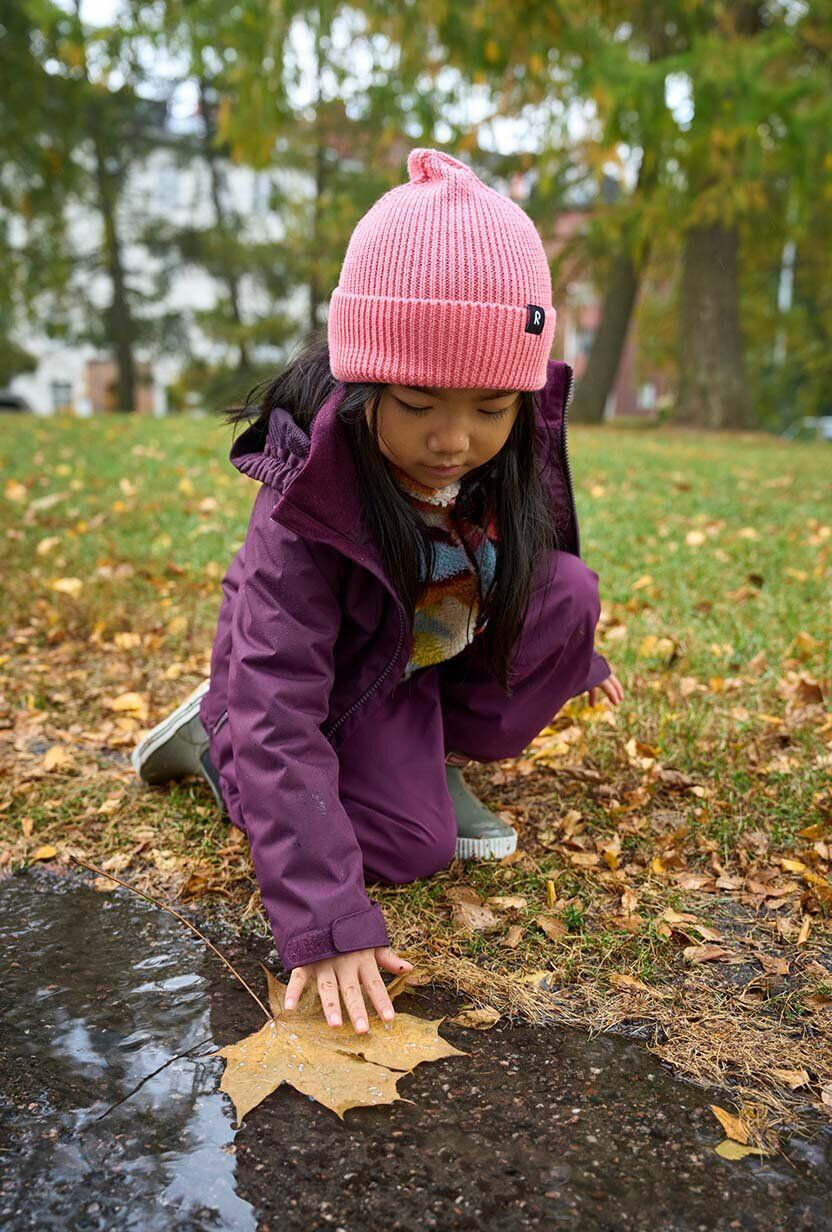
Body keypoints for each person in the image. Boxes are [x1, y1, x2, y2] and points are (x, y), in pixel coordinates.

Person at [131, 147, 623, 1036]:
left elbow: (517, 570)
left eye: (488, 406)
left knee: (570, 594)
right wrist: (324, 923)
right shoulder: (307, 501)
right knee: (408, 846)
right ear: (362, 381)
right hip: (319, 683)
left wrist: (574, 656)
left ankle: (421, 752)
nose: (453, 439)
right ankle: (210, 741)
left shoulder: (504, 446)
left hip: (411, 657)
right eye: (418, 401)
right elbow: (281, 707)